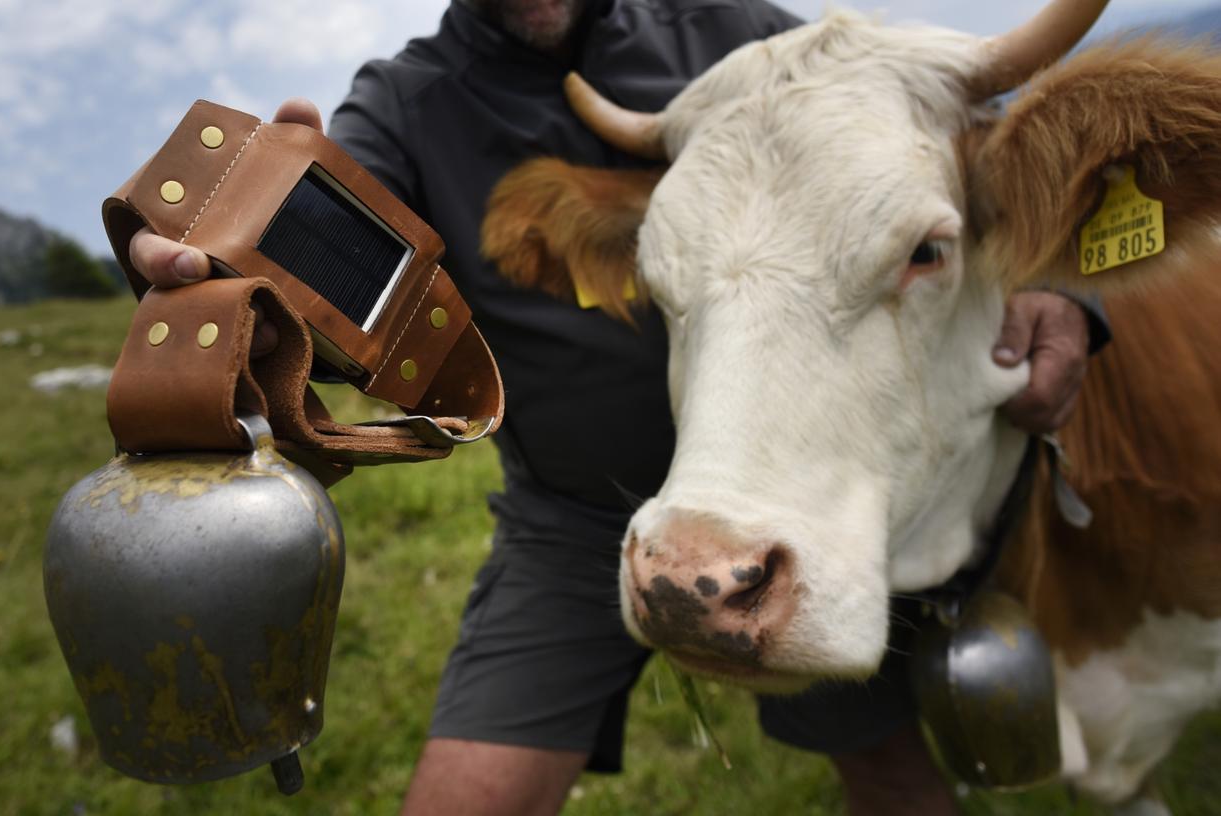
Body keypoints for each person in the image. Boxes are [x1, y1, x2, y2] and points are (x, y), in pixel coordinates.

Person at [125, 1, 1102, 813]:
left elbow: (941, 147)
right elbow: (329, 312)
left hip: (791, 487)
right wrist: (230, 293)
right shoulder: (406, 101)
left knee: (891, 774)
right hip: (569, 519)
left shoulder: (725, 28)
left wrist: (1064, 293)